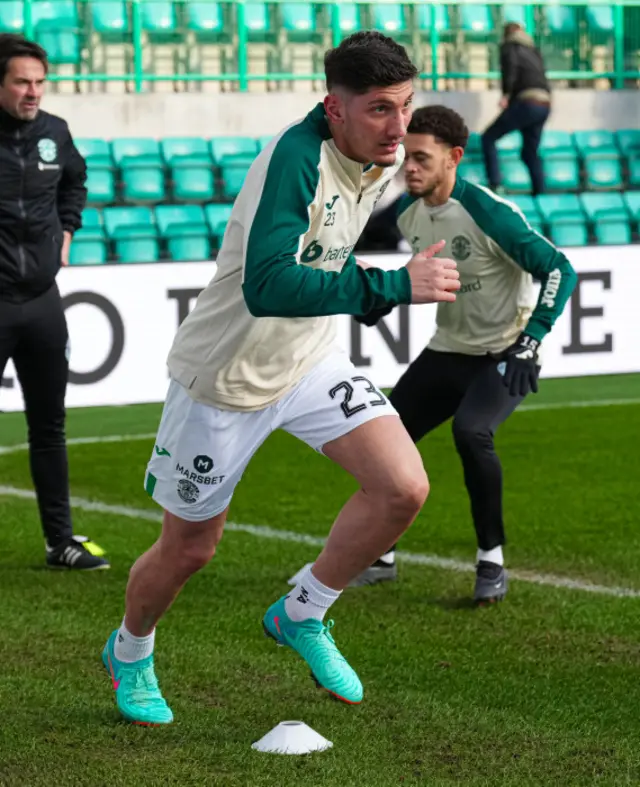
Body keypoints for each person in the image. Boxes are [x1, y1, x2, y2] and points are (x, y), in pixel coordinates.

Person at [101, 32, 461, 726]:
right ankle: (130, 650)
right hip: (226, 376)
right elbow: (267, 284)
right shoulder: (295, 159)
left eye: (407, 106)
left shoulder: (379, 157)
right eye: (382, 109)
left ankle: (302, 611)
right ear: (335, 108)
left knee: (402, 485)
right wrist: (394, 285)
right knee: (190, 548)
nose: (399, 126)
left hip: (308, 357)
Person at [350, 105, 577, 602]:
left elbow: (559, 268)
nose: (408, 167)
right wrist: (378, 303)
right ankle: (381, 554)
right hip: (447, 349)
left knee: (472, 432)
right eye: (405, 157)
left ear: (453, 157)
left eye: (421, 159)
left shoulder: (486, 210)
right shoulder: (409, 214)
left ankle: (491, 562)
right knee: (384, 440)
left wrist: (531, 341)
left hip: (502, 351)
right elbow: (421, 277)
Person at [0, 34, 109, 571]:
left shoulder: (54, 133)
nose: (33, 92)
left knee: (49, 426)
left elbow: (76, 181)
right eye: (21, 81)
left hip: (42, 301)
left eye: (39, 82)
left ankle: (61, 542)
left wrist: (67, 230)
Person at [481, 23, 551, 197]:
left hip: (527, 101)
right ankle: (540, 192)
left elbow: (510, 71)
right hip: (544, 104)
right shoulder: (533, 49)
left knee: (488, 138)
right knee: (529, 152)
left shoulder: (510, 47)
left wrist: (506, 95)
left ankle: (495, 183)